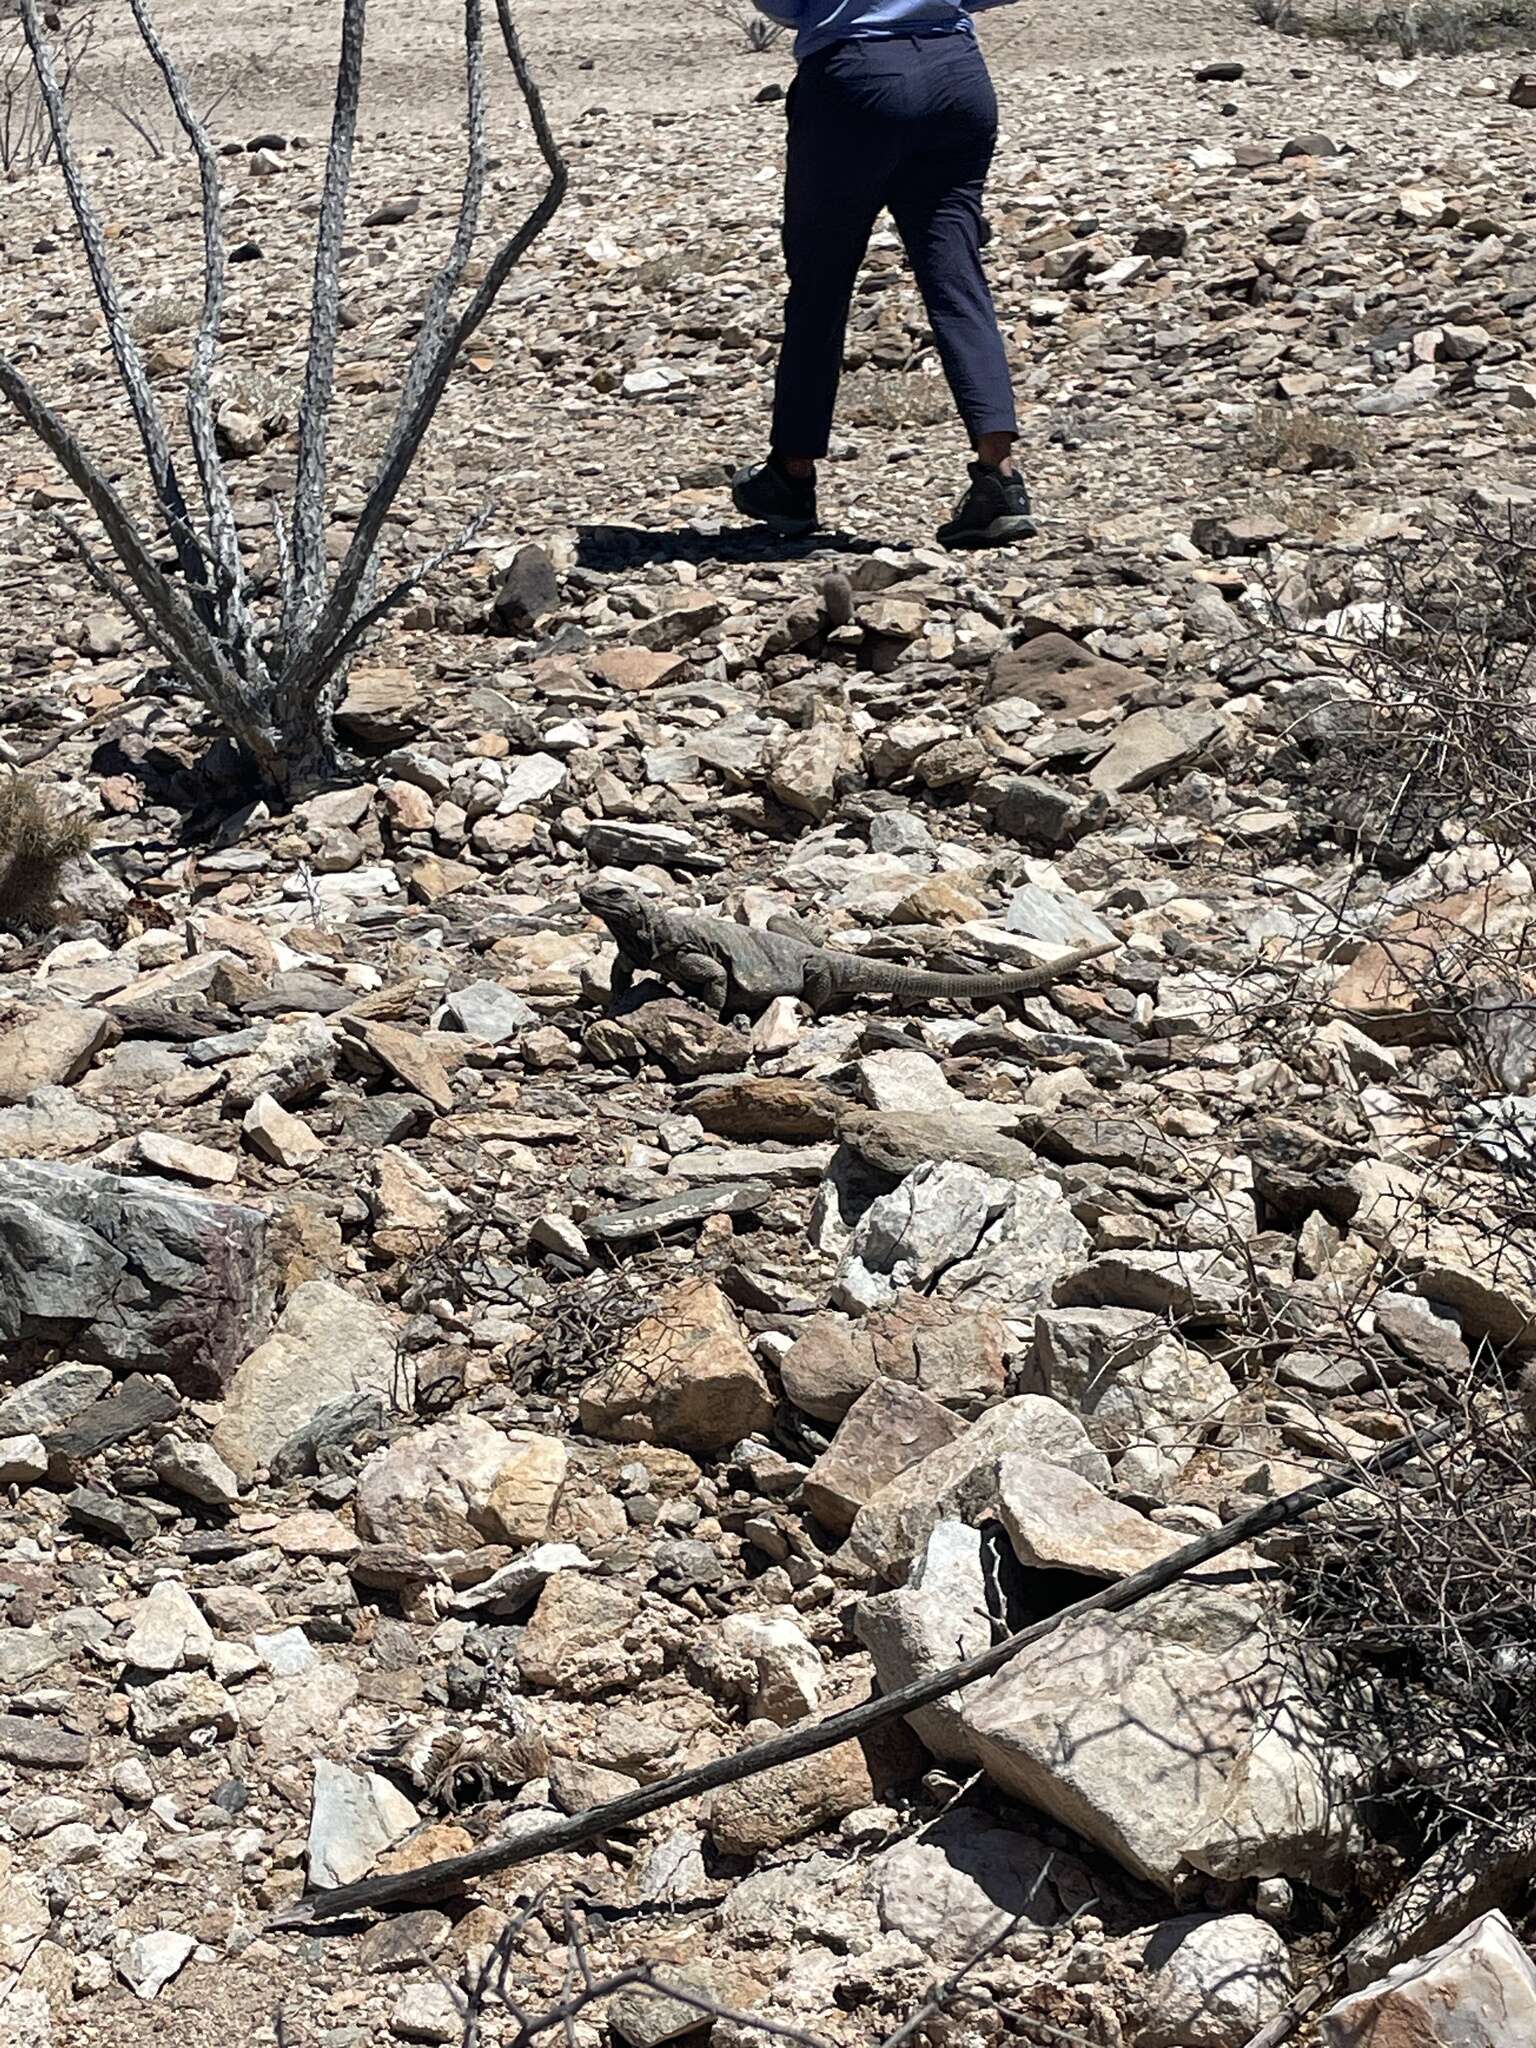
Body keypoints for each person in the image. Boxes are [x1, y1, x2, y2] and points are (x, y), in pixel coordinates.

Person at [732, 0, 1031, 550]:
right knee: (956, 277)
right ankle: (1000, 476)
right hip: (957, 75)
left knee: (821, 282)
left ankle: (792, 476)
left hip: (854, 80)